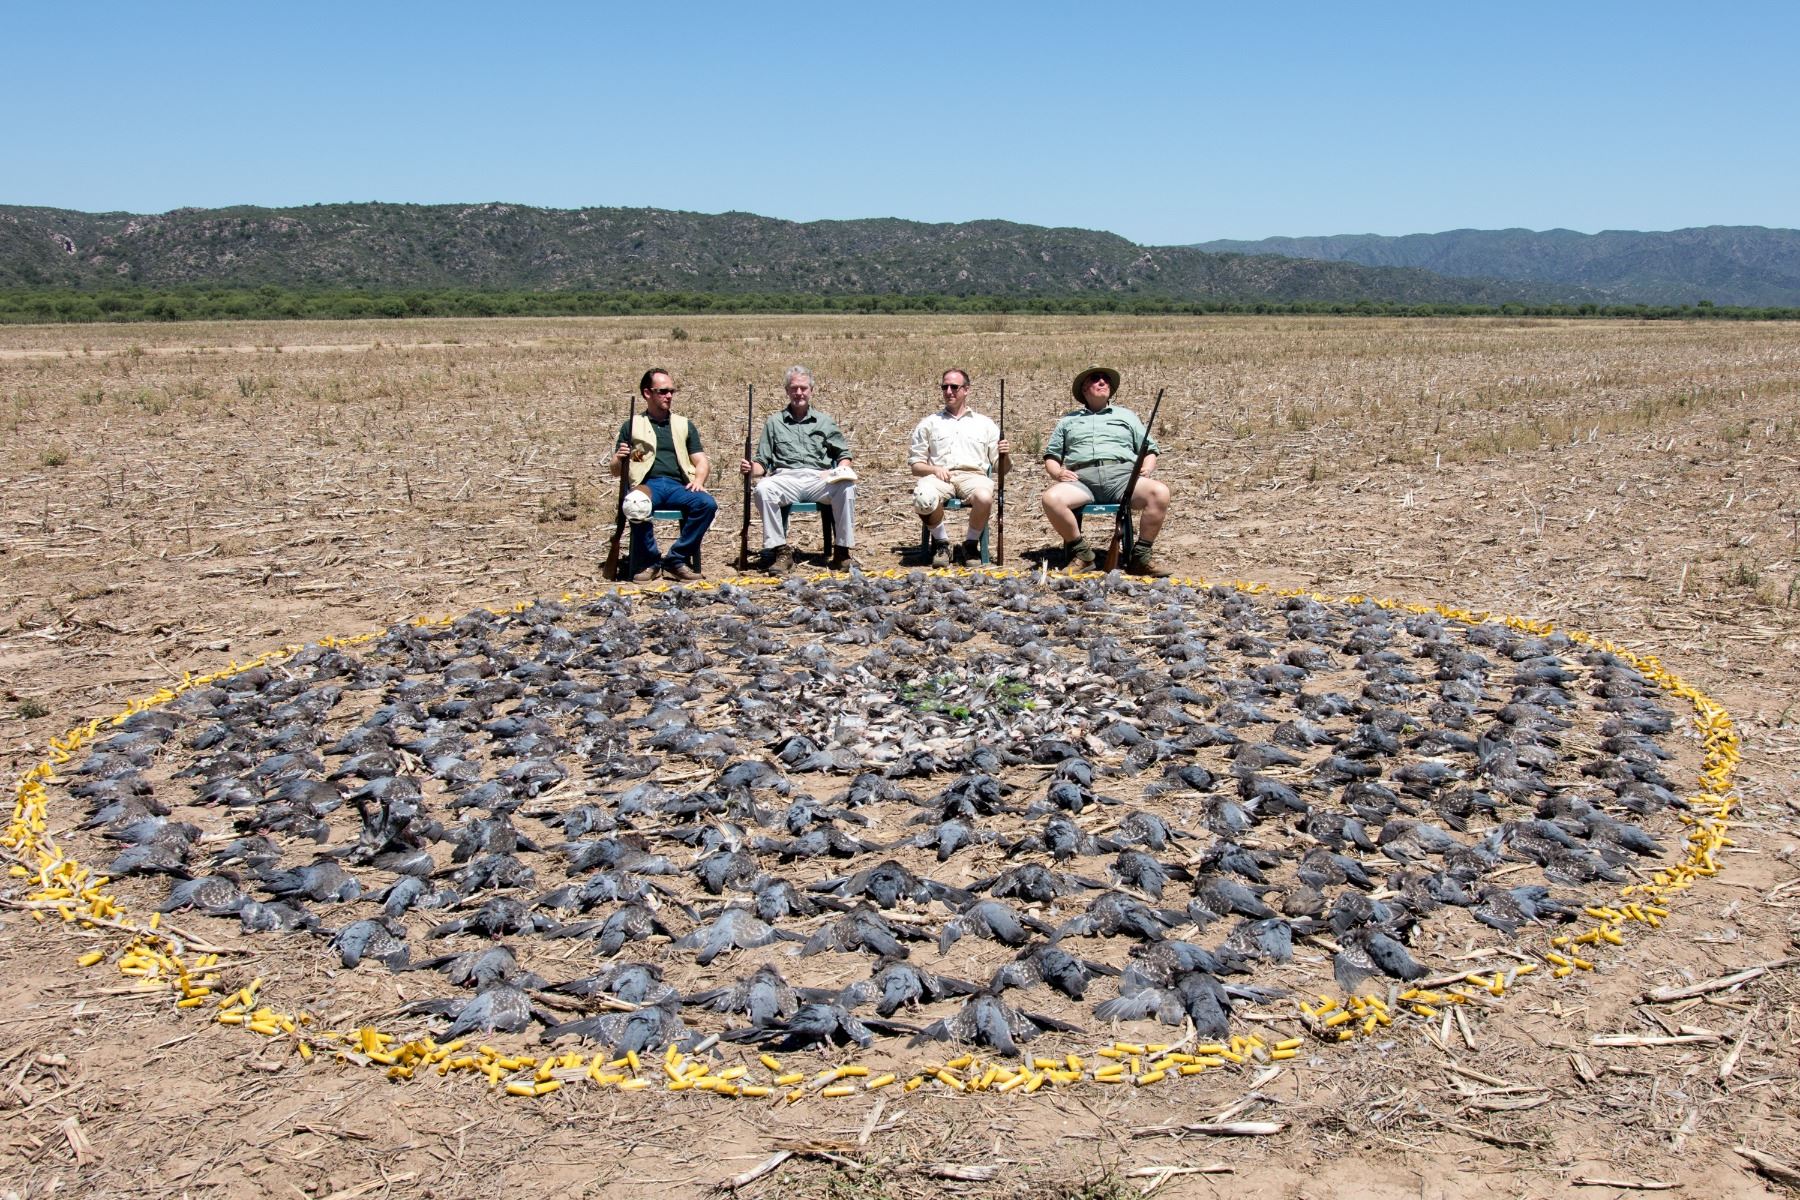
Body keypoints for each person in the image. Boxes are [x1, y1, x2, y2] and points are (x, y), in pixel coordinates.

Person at [1040, 365, 1171, 577]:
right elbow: (1051, 457)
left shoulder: (1127, 416)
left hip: (1123, 478)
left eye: (1105, 379)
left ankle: (1141, 557)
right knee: (1051, 498)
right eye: (1095, 379)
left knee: (1160, 492)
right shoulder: (1067, 421)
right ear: (1083, 390)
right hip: (1081, 481)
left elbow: (1150, 449)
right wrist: (1057, 473)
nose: (1102, 382)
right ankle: (1082, 554)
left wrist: (1146, 467)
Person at [738, 365, 859, 571]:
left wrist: (839, 471)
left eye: (803, 388)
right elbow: (762, 463)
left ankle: (842, 551)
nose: (799, 393)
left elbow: (844, 455)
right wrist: (751, 468)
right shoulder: (774, 423)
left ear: (811, 390)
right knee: (763, 489)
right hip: (786, 477)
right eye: (794, 388)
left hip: (819, 478)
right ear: (787, 391)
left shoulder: (825, 421)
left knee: (847, 487)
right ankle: (781, 551)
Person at [610, 367, 715, 582]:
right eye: (663, 391)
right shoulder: (632, 425)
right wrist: (620, 458)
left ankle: (676, 559)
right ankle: (650, 561)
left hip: (679, 486)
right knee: (635, 503)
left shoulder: (684, 424)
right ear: (647, 393)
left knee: (707, 504)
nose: (669, 396)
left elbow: (701, 459)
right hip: (648, 485)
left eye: (671, 392)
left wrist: (698, 480)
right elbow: (614, 471)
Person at [908, 367, 1010, 566]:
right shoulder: (929, 423)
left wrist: (1005, 454)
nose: (948, 391)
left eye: (954, 387)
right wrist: (934, 469)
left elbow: (1002, 468)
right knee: (922, 497)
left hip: (974, 477)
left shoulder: (985, 424)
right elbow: (916, 466)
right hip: (939, 477)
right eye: (944, 387)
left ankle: (970, 545)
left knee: (984, 496)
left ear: (966, 390)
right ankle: (941, 543)